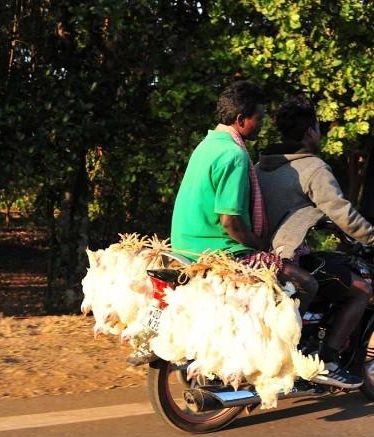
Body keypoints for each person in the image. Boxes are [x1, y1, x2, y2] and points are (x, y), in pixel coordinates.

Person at [128, 82, 317, 366]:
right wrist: (261, 243)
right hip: (219, 251)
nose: (262, 125)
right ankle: (287, 355)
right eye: (259, 118)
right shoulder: (234, 154)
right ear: (241, 120)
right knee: (307, 283)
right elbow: (230, 223)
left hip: (184, 247)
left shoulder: (207, 145)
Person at [255, 95, 374, 389]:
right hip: (286, 258)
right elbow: (345, 215)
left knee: (329, 269)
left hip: (257, 254)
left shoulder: (262, 165)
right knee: (360, 287)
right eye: (318, 128)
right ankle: (329, 361)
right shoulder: (314, 169)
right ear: (310, 132)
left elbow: (291, 209)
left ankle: (310, 339)